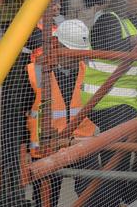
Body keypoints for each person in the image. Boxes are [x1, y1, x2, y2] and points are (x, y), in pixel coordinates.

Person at [78, 0, 137, 206]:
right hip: (104, 101)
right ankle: (112, 201)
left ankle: (133, 198)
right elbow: (109, 46)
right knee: (119, 152)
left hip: (128, 103)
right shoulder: (107, 20)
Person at [27, 19, 95, 206]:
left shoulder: (87, 71)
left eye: (79, 53)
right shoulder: (36, 71)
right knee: (46, 201)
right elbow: (21, 113)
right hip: (46, 150)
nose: (76, 58)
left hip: (80, 146)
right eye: (72, 52)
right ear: (57, 45)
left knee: (95, 193)